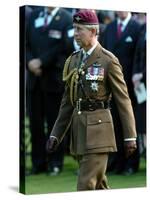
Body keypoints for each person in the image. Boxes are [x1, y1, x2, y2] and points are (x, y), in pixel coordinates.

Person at [46, 9, 137, 191]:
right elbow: (68, 102)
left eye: (80, 29)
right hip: (79, 134)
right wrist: (56, 134)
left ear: (94, 31)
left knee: (85, 186)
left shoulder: (108, 60)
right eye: (74, 29)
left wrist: (130, 136)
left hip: (99, 133)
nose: (75, 34)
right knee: (98, 187)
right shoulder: (73, 60)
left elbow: (123, 100)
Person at [26, 6, 74, 175]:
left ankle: (55, 162)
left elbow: (65, 46)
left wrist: (42, 62)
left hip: (53, 80)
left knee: (55, 124)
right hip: (34, 80)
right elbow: (25, 43)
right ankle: (38, 163)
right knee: (35, 125)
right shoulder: (33, 16)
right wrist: (30, 61)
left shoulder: (67, 18)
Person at [102, 11, 141, 174]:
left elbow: (139, 57)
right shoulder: (110, 27)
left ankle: (131, 163)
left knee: (130, 125)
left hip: (130, 87)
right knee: (114, 124)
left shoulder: (138, 27)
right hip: (110, 86)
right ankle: (116, 163)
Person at [132, 22, 146, 158]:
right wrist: (135, 75)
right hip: (142, 85)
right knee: (142, 121)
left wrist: (142, 73)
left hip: (144, 77)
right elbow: (137, 55)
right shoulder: (142, 29)